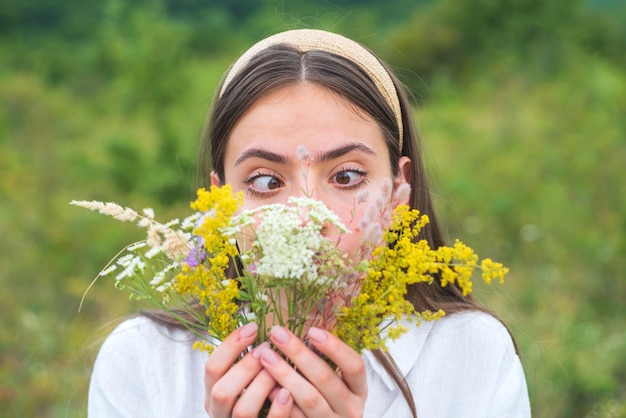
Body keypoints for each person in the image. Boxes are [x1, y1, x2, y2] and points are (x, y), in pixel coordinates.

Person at [88, 29, 531, 417]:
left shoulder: (471, 354)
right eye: (265, 181)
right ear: (221, 204)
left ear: (400, 192)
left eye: (346, 176)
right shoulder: (145, 361)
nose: (304, 217)